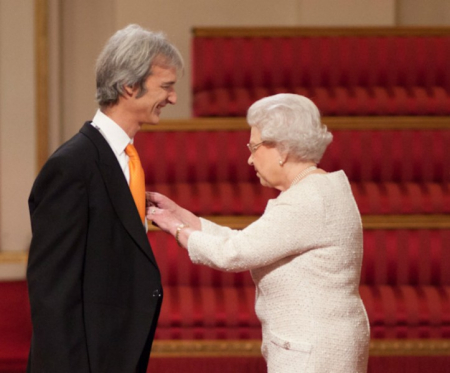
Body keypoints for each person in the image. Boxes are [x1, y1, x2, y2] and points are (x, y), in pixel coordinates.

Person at [147, 93, 370, 373]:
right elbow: (250, 241)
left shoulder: (306, 200)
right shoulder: (320, 189)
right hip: (324, 343)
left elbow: (234, 253)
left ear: (282, 149)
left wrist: (175, 228)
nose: (250, 160)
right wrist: (185, 217)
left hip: (313, 352)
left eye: (254, 147)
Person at [27, 24, 183, 372]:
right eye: (166, 87)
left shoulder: (124, 158)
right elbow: (53, 292)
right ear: (129, 86)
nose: (173, 99)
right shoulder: (72, 166)